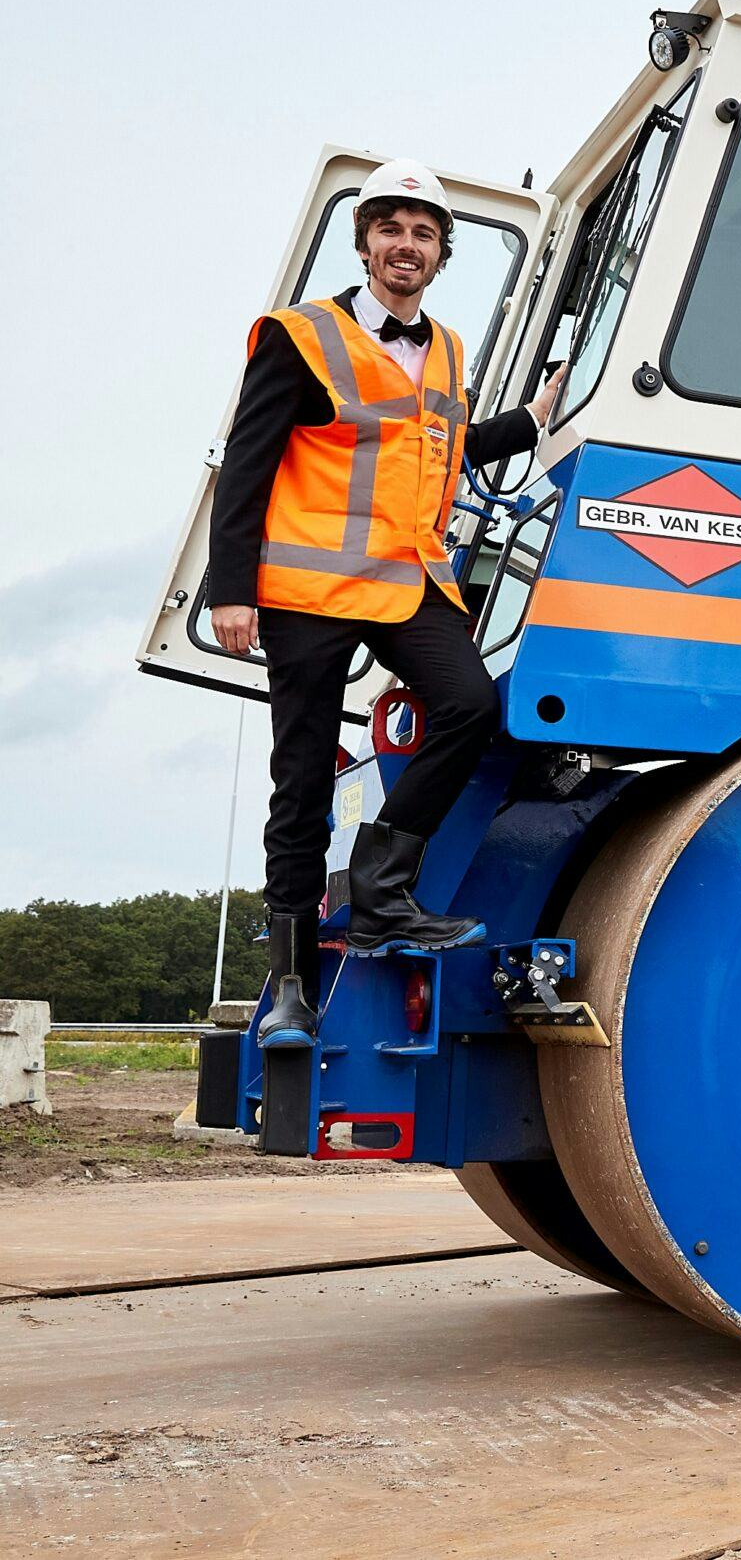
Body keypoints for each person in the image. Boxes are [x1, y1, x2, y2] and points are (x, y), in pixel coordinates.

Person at [206, 160, 567, 1050]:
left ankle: (380, 895)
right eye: (392, 230)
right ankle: (291, 982)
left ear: (442, 256)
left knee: (472, 706)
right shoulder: (302, 337)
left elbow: (437, 454)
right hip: (310, 593)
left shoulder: (444, 348)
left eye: (424, 234)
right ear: (364, 243)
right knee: (301, 784)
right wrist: (231, 589)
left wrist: (530, 418)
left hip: (408, 584)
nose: (407, 247)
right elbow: (245, 465)